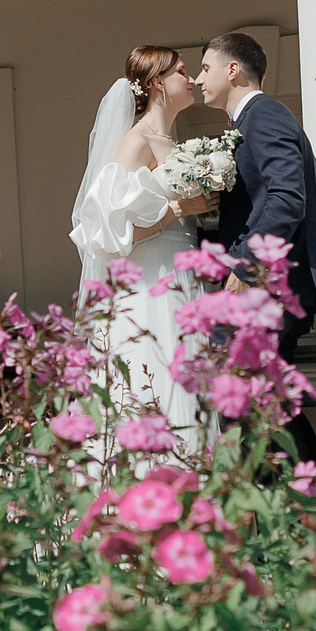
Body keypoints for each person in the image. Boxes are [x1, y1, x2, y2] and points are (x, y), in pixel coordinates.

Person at [194, 31, 316, 463]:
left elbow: (287, 197)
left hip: (266, 286)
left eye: (205, 67)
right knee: (265, 403)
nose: (198, 79)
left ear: (232, 70)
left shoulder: (265, 114)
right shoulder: (243, 125)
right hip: (257, 286)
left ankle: (282, 504)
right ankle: (298, 502)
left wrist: (247, 266)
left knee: (242, 405)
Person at [68, 45, 217, 435]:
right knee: (156, 374)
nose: (191, 80)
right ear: (156, 83)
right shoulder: (135, 142)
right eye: (182, 72)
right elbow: (109, 233)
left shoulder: (173, 140)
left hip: (182, 274)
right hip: (152, 280)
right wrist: (181, 209)